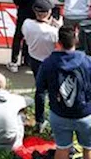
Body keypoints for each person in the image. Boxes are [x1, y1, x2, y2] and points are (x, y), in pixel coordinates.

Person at [36, 24, 91, 159]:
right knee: (88, 149)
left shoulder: (48, 63)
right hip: (84, 114)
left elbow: (40, 91)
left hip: (59, 114)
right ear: (76, 41)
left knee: (62, 148)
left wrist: (40, 118)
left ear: (58, 43)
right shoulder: (87, 61)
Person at [24, 0, 61, 128]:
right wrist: (58, 26)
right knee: (53, 90)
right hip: (49, 61)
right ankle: (54, 117)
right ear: (48, 13)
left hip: (34, 59)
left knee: (40, 90)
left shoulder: (27, 23)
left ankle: (40, 120)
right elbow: (59, 41)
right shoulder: (52, 31)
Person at [12, 0, 52, 71]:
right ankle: (27, 59)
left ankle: (14, 61)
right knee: (31, 37)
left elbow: (16, 0)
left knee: (18, 37)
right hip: (38, 14)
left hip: (24, 15)